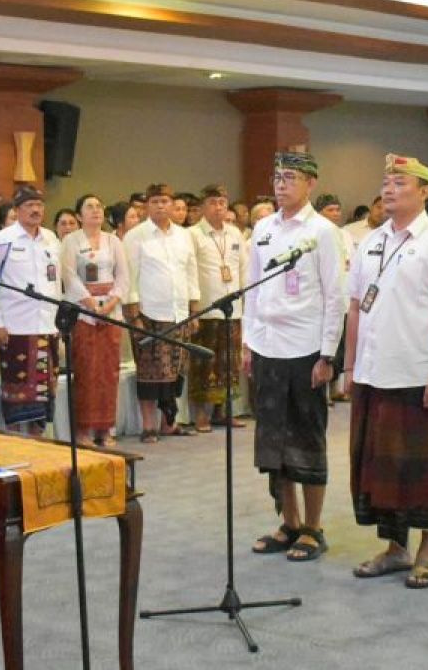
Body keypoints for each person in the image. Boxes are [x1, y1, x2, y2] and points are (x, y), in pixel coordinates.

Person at [346, 155, 428, 589]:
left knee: (424, 468)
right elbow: (356, 306)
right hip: (374, 372)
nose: (389, 189)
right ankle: (395, 548)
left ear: (424, 191)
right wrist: (350, 366)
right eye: (386, 182)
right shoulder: (370, 241)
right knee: (382, 469)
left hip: (417, 373)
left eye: (400, 182)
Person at [245, 151, 344, 562]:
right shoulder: (263, 228)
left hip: (305, 348)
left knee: (306, 438)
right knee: (273, 442)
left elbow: (335, 296)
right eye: (277, 177)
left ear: (310, 184)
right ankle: (289, 522)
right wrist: (248, 342)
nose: (281, 184)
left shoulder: (323, 232)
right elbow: (252, 289)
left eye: (290, 177)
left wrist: (328, 354)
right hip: (267, 346)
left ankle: (313, 528)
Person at [124, 183, 200, 441]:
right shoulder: (136, 236)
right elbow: (129, 276)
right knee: (150, 372)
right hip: (149, 313)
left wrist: (194, 308)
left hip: (179, 312)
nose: (160, 206)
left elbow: (191, 271)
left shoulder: (184, 235)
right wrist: (134, 315)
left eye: (165, 201)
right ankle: (149, 426)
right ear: (147, 206)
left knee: (175, 370)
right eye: (155, 201)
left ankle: (169, 423)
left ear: (172, 204)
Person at [0, 186, 63, 434]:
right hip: (15, 328)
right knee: (17, 395)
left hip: (47, 325)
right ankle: (17, 444)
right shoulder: (0, 239)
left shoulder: (51, 239)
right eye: (29, 205)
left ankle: (38, 442)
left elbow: (55, 281)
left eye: (39, 205)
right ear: (17, 210)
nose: (35, 210)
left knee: (44, 392)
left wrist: (58, 321)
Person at [61, 193, 129, 446]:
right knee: (86, 371)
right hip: (84, 313)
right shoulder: (71, 241)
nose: (95, 210)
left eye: (99, 206)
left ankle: (105, 428)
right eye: (89, 207)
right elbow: (69, 276)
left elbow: (123, 277)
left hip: (111, 313)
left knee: (109, 372)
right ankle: (84, 430)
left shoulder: (113, 241)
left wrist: (110, 303)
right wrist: (90, 304)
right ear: (79, 215)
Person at [187, 184, 247, 431]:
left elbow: (243, 268)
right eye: (212, 203)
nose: (218, 207)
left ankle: (223, 411)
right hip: (206, 307)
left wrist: (245, 298)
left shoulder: (235, 234)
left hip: (233, 307)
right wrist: (193, 307)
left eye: (222, 202)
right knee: (204, 362)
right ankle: (201, 414)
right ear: (202, 207)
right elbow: (190, 272)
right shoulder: (193, 234)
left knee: (229, 362)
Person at [316, 193, 355, 402]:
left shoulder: (346, 234)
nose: (335, 214)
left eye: (337, 209)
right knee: (325, 348)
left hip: (345, 297)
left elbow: (352, 264)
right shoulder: (316, 233)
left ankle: (334, 388)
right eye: (330, 210)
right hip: (323, 300)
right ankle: (322, 390)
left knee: (341, 347)